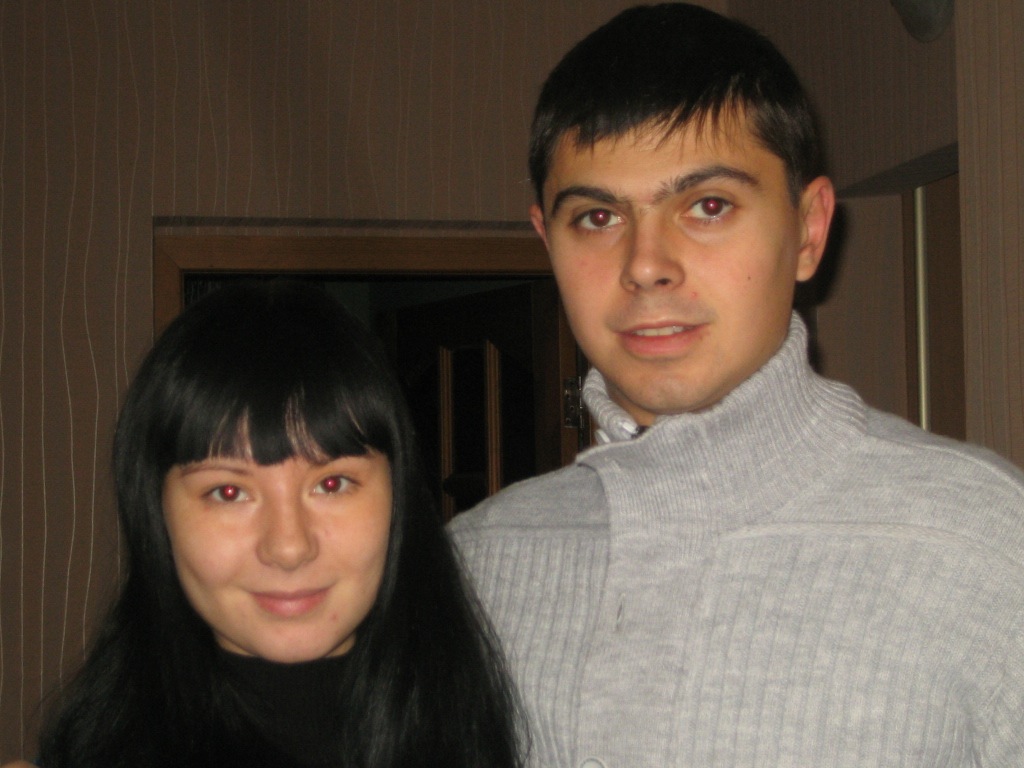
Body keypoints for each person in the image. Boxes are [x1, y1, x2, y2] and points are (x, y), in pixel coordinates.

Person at [449, 4, 1024, 766]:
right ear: (545, 240)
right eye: (595, 217)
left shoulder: (983, 544)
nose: (645, 265)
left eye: (708, 206)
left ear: (809, 230)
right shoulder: (469, 571)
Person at [5, 281, 524, 768]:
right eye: (228, 493)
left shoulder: (494, 728)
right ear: (155, 514)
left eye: (332, 484)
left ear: (399, 499)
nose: (289, 547)